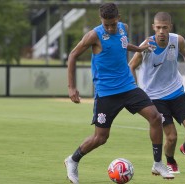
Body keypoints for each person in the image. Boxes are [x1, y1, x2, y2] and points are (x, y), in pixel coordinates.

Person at [64, 3, 174, 184]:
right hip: (106, 92)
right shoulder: (94, 35)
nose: (110, 28)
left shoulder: (124, 29)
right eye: (106, 24)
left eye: (113, 24)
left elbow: (122, 45)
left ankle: (158, 163)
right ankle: (73, 160)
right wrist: (71, 87)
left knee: (155, 117)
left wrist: (138, 49)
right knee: (101, 138)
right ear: (101, 20)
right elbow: (73, 55)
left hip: (128, 86)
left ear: (118, 19)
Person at [129, 12, 185, 174]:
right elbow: (131, 66)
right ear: (153, 28)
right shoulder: (146, 46)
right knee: (171, 137)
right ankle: (170, 160)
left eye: (165, 27)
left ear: (170, 27)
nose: (161, 31)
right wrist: (136, 91)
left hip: (176, 92)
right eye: (158, 27)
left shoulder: (178, 41)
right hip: (155, 99)